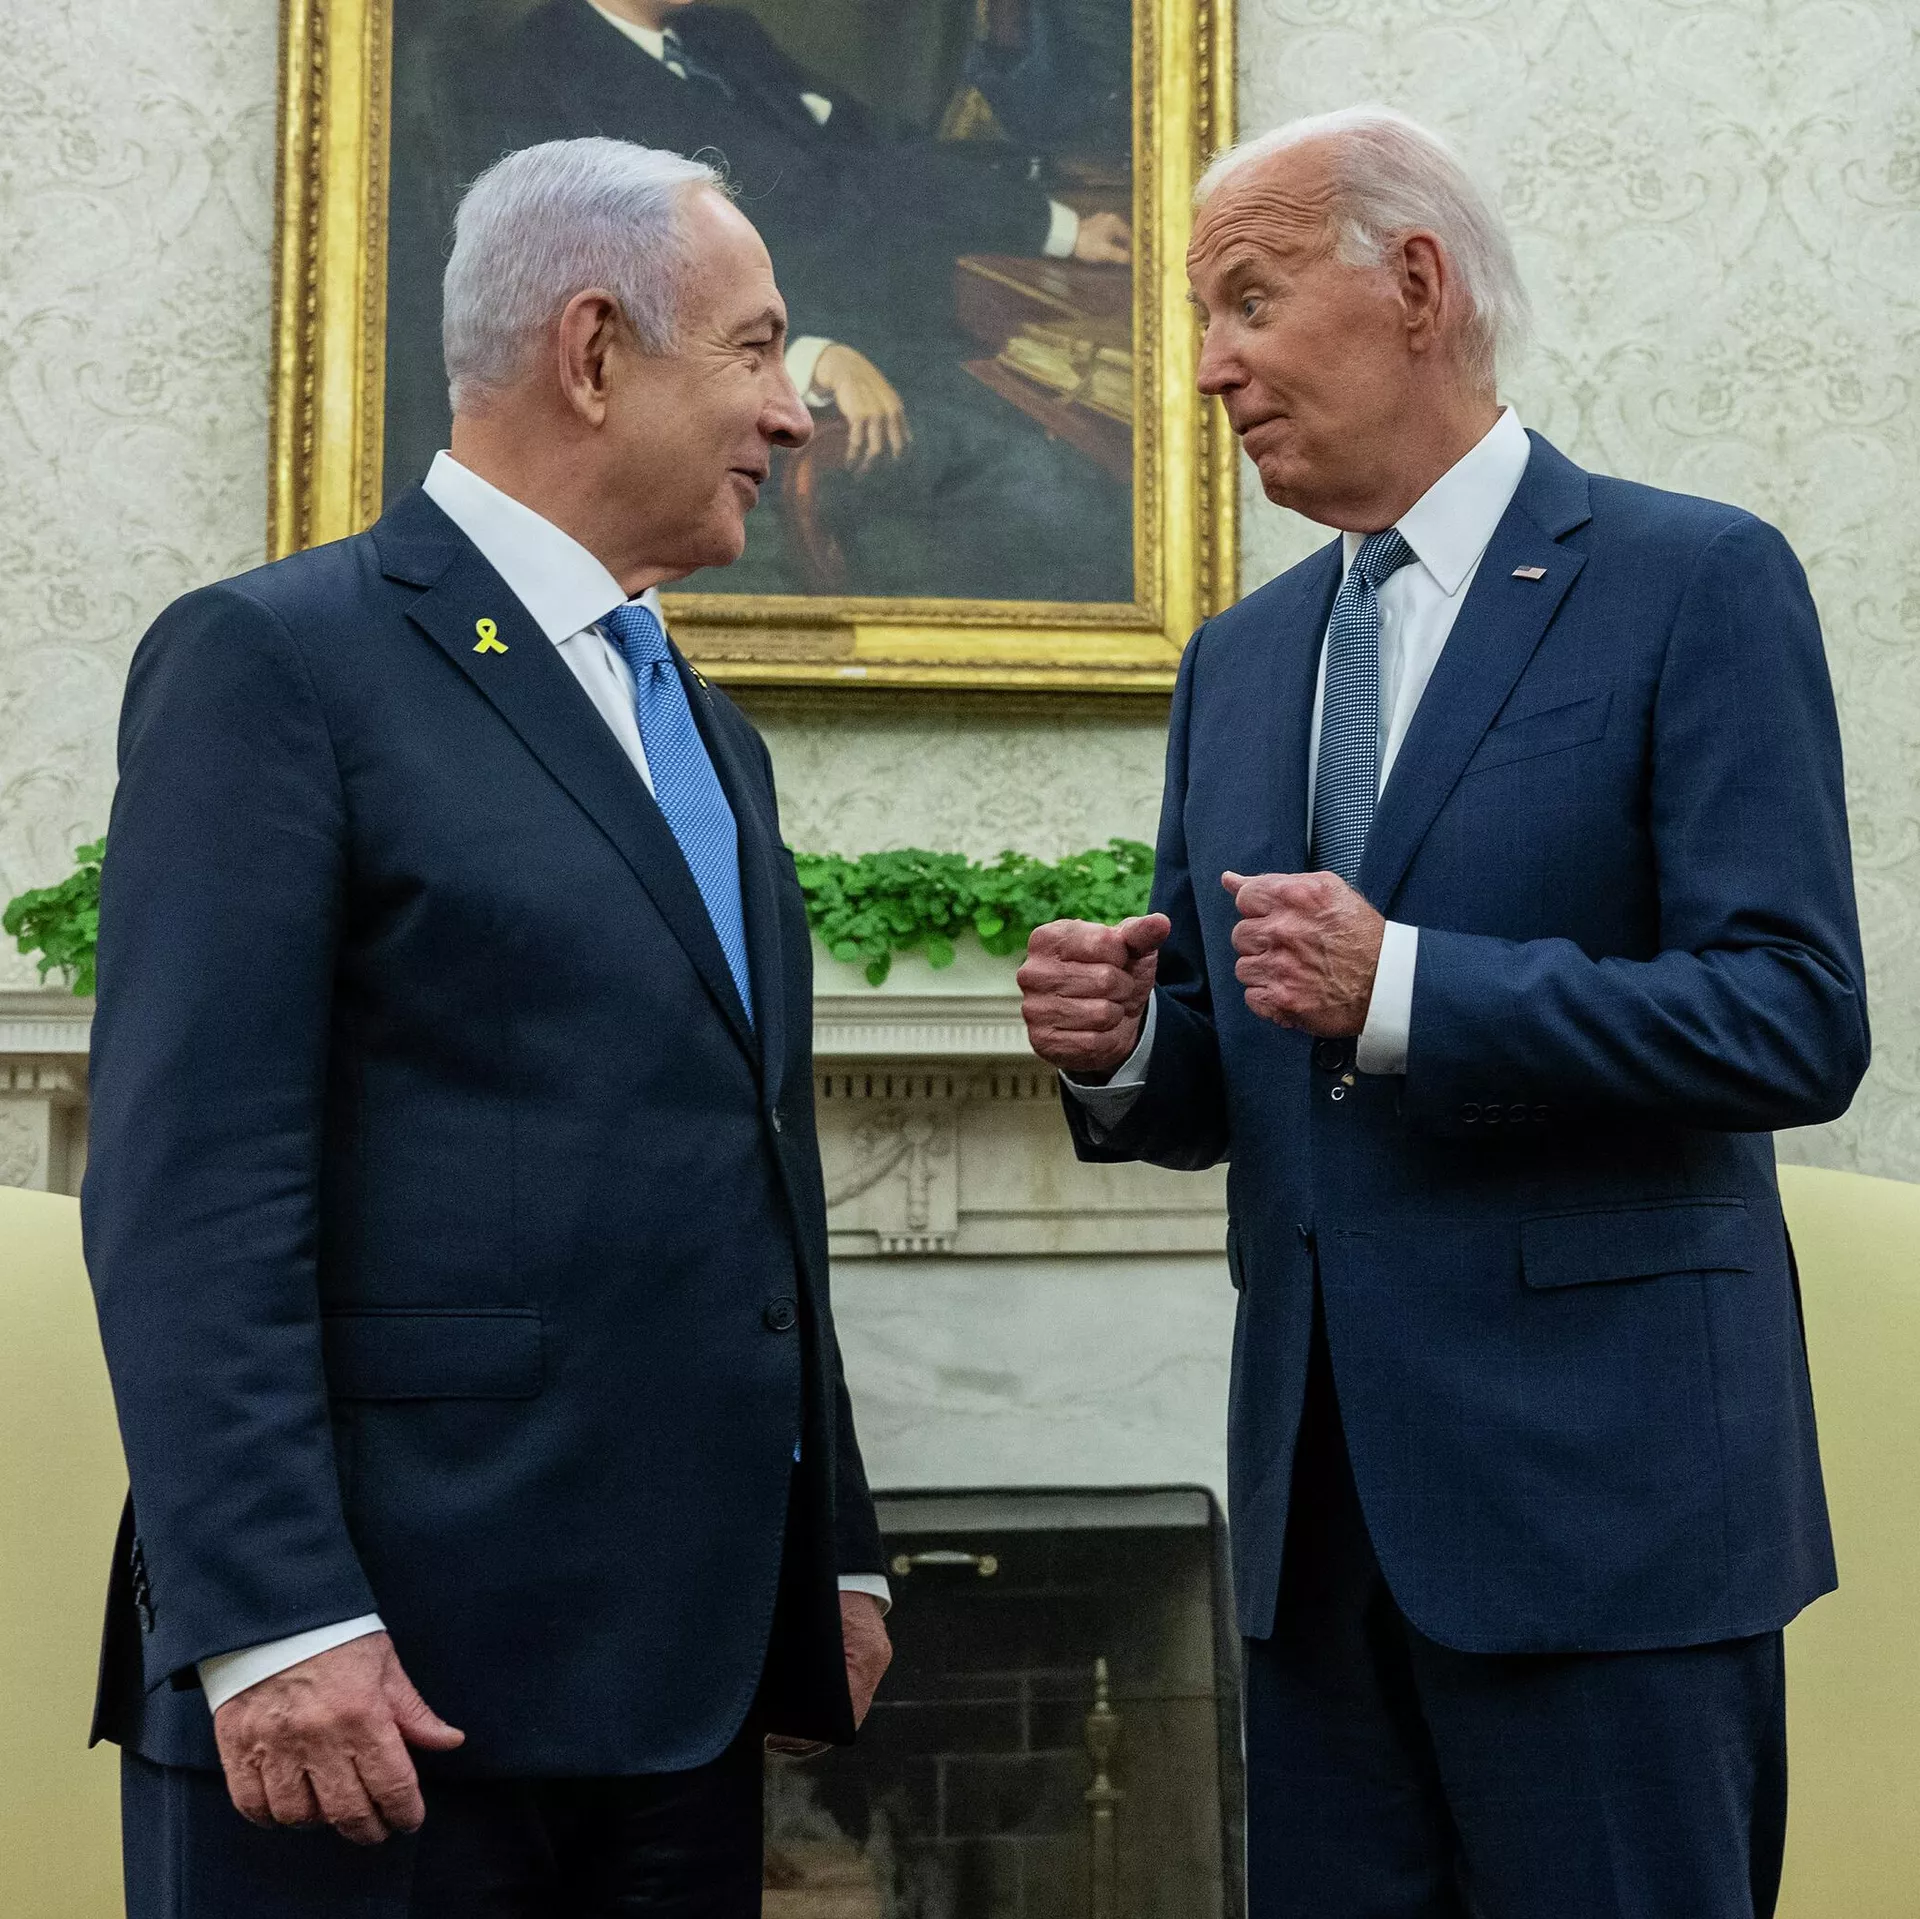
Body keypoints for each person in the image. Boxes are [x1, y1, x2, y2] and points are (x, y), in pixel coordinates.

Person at [1016, 106, 1868, 1919]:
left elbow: (1794, 1015)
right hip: (1319, 1539)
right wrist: (1123, 1044)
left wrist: (1405, 983)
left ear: (1414, 284)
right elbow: (1242, 1066)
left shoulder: (1694, 581)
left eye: (1247, 301)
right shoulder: (1239, 660)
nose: (1210, 367)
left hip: (1608, 1524)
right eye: (1202, 320)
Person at [84, 137, 892, 1916]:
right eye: (757, 348)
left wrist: (830, 1546)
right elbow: (191, 1187)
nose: (795, 411)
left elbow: (750, 1162)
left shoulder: (713, 733)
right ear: (593, 352)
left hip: (679, 1698)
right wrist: (276, 1618)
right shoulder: (274, 664)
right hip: (374, 1694)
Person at [385, 0, 1134, 601]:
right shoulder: (522, 75)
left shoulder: (724, 39)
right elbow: (590, 294)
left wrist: (1059, 226)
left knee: (1090, 447)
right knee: (1064, 498)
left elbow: (877, 154)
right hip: (746, 399)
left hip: (903, 339)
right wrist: (804, 357)